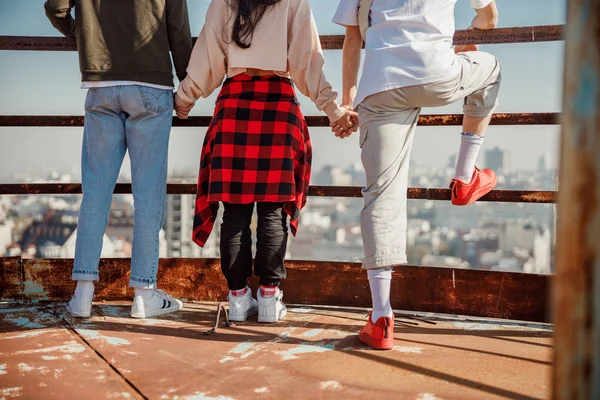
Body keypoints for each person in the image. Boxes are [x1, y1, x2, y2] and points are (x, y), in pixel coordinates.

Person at [174, 0, 357, 323]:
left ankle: (239, 298)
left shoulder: (223, 2)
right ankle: (270, 300)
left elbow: (207, 60)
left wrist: (183, 100)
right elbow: (307, 64)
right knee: (273, 211)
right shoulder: (293, 2)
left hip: (234, 106)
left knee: (234, 211)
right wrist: (334, 111)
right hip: (278, 108)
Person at [332, 0, 501, 349]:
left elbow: (352, 39)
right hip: (436, 73)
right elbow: (489, 18)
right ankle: (464, 174)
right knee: (492, 68)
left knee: (381, 194)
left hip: (380, 86)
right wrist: (471, 30)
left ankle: (381, 318)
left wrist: (349, 101)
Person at [44, 0, 193, 318]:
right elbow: (178, 29)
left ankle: (83, 293)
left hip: (101, 84)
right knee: (148, 194)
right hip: (152, 85)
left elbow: (55, 7)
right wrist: (188, 82)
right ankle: (143, 294)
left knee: (95, 193)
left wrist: (82, 35)